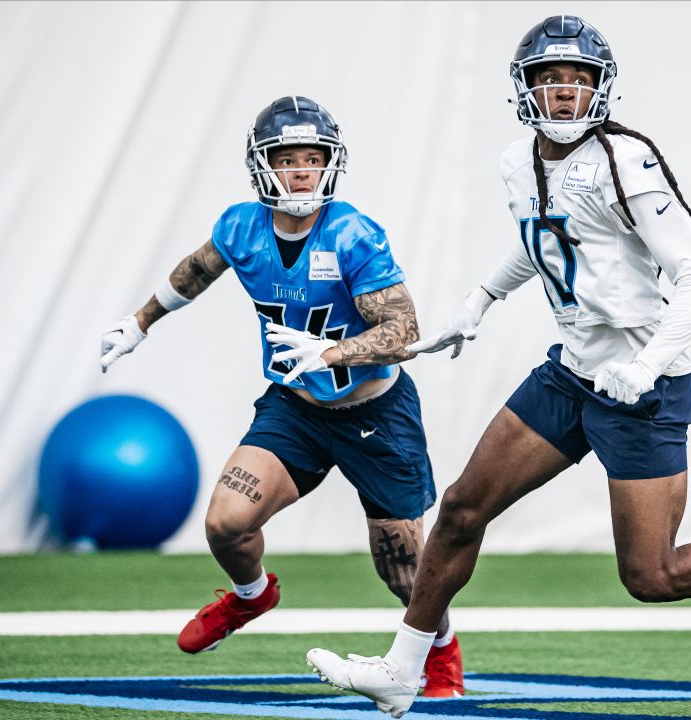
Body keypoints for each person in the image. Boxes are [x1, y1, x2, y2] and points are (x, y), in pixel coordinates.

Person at [304, 17, 691, 717]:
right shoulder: (518, 162)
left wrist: (649, 364)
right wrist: (479, 300)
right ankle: (401, 669)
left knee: (652, 575)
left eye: (578, 80)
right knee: (460, 509)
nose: (565, 92)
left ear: (600, 90)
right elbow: (544, 238)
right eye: (550, 79)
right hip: (573, 373)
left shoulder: (625, 160)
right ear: (525, 89)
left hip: (643, 387)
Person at [99, 96, 464, 697]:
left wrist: (331, 352)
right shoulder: (242, 226)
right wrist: (140, 322)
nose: (300, 170)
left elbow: (405, 333)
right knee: (226, 522)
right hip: (296, 407)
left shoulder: (351, 233)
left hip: (374, 411)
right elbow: (196, 269)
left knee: (402, 568)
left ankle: (442, 649)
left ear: (331, 164)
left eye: (312, 158)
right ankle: (250, 597)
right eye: (287, 158)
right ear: (262, 165)